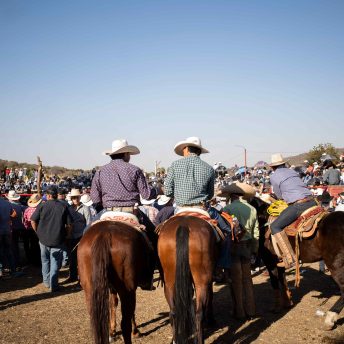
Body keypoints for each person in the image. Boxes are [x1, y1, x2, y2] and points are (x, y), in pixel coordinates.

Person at [90, 139, 156, 290]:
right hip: (130, 211)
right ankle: (146, 279)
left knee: (85, 236)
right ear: (126, 153)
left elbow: (94, 197)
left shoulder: (100, 171)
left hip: (107, 212)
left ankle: (84, 274)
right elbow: (146, 194)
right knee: (154, 239)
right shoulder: (135, 170)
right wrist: (155, 190)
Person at [269, 154, 317, 269]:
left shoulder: (274, 176)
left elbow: (280, 196)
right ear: (284, 163)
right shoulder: (292, 171)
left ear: (272, 167)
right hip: (313, 201)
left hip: (299, 205)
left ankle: (290, 258)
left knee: (275, 226)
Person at [223, 183, 259, 320]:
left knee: (236, 280)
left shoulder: (227, 208)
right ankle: (251, 310)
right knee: (247, 279)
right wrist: (255, 249)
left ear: (231, 196)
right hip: (248, 245)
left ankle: (239, 311)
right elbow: (256, 232)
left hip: (233, 246)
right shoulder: (252, 209)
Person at [31, 186, 72, 292]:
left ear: (48, 195)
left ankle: (46, 282)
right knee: (55, 262)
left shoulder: (42, 206)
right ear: (56, 195)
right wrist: (67, 235)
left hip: (43, 239)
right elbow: (69, 224)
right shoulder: (63, 206)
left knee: (45, 260)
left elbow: (33, 221)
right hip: (58, 239)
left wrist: (37, 232)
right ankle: (53, 285)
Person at [164, 136, 215, 209]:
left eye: (183, 148)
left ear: (187, 149)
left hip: (180, 208)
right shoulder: (209, 168)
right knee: (221, 219)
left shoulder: (175, 165)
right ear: (199, 152)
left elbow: (168, 191)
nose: (182, 151)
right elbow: (210, 194)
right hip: (201, 208)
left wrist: (179, 195)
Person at [66, 188, 92, 282]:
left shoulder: (85, 208)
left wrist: (86, 236)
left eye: (77, 197)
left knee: (81, 259)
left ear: (79, 198)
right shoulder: (68, 208)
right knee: (72, 258)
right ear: (72, 199)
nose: (75, 199)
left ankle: (82, 278)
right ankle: (72, 276)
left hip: (81, 236)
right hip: (71, 236)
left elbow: (88, 223)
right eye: (74, 198)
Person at [23, 194, 42, 266]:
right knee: (38, 246)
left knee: (32, 245)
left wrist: (27, 227)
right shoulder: (39, 210)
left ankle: (32, 260)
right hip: (38, 230)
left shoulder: (27, 210)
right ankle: (37, 261)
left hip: (29, 230)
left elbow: (24, 221)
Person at [0, 197, 17, 277]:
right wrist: (7, 218)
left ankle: (1, 271)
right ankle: (13, 270)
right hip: (6, 230)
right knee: (9, 250)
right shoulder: (7, 203)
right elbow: (14, 214)